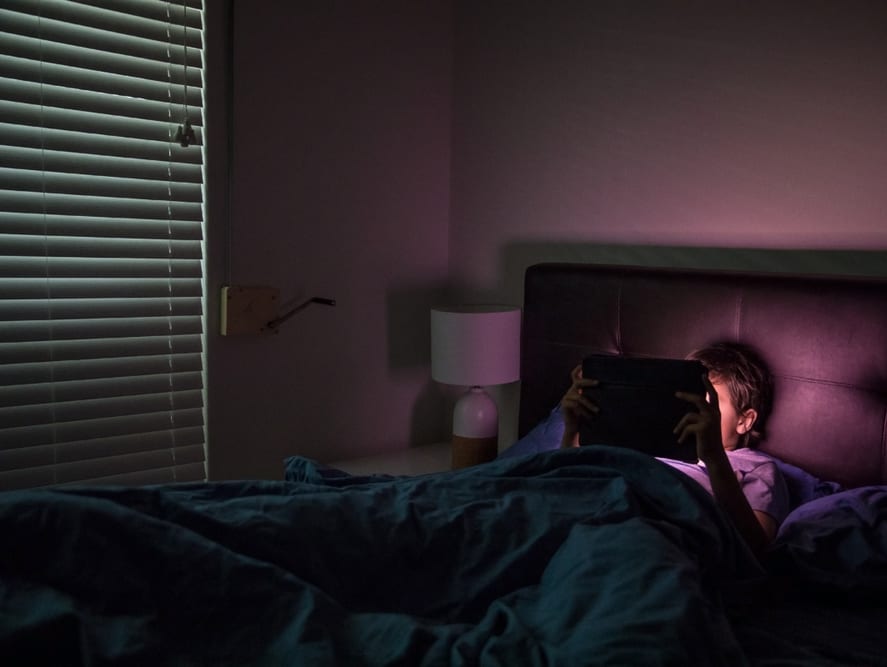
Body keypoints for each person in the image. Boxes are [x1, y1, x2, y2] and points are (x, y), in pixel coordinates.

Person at [559, 342, 788, 556]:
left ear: (745, 420)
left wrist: (714, 457)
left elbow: (757, 549)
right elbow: (573, 484)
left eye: (708, 404)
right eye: (689, 401)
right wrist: (572, 430)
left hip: (655, 539)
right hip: (594, 517)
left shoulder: (756, 467)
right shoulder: (643, 437)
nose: (695, 413)